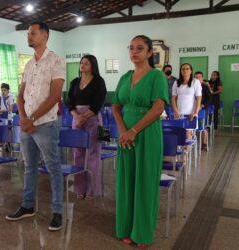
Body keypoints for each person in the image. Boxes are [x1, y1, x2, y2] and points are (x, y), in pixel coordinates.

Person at [5, 21, 65, 231]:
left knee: (53, 167)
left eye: (32, 33)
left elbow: (55, 95)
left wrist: (32, 119)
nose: (28, 36)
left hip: (46, 124)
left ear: (45, 36)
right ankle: (28, 205)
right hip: (26, 125)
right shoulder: (29, 65)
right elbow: (20, 96)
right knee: (29, 167)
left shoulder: (56, 61)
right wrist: (23, 118)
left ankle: (57, 211)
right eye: (28, 33)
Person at [112, 35, 169, 248]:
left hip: (146, 133)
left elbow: (158, 108)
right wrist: (123, 130)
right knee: (126, 182)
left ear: (149, 53)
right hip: (125, 135)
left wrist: (134, 130)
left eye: (140, 48)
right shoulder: (126, 77)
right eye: (131, 48)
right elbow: (116, 106)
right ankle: (126, 228)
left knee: (144, 183)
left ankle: (142, 233)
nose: (134, 52)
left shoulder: (157, 76)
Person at [67, 54, 106, 200]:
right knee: (77, 154)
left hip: (93, 118)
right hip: (76, 119)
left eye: (86, 63)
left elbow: (98, 103)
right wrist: (76, 116)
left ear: (93, 66)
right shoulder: (74, 82)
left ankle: (92, 190)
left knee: (93, 155)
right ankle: (79, 189)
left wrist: (84, 117)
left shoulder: (98, 81)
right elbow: (69, 102)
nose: (82, 65)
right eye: (81, 63)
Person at [194, 71, 211, 150]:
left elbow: (209, 99)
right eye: (196, 77)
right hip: (192, 109)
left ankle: (204, 143)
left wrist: (203, 105)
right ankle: (192, 143)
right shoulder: (191, 86)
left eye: (199, 77)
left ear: (202, 78)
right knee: (193, 127)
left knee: (202, 126)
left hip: (202, 109)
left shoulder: (205, 87)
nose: (197, 78)